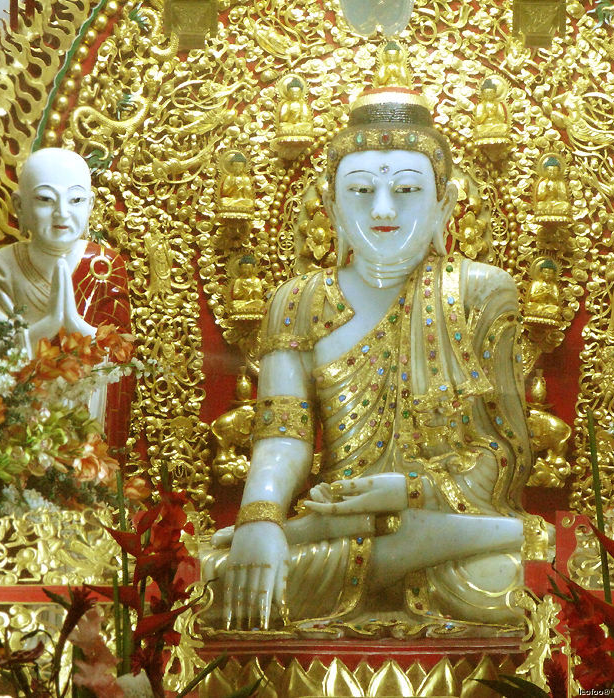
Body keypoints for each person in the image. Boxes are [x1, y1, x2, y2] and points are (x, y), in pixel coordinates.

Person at [201, 87, 541, 633]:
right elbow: (283, 438)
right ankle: (385, 551)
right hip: (338, 522)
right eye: (361, 191)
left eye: (406, 189)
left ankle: (411, 545)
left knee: (506, 578)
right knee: (216, 578)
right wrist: (261, 517)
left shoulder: (481, 292)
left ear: (443, 205)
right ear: (332, 207)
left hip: (451, 529)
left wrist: (406, 492)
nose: (383, 209)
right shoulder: (298, 301)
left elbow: (505, 455)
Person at [0, 147, 131, 449]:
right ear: (19, 206)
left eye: (76, 199)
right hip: (23, 421)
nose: (62, 213)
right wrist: (46, 327)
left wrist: (79, 327)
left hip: (85, 411)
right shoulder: (3, 263)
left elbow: (120, 358)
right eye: (45, 199)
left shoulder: (104, 265)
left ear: (90, 205)